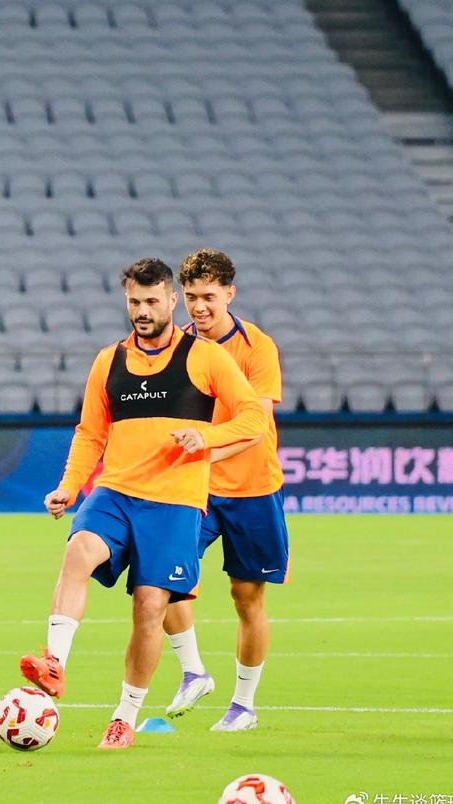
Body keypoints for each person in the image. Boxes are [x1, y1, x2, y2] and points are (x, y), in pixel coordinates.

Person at [19, 257, 268, 749]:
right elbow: (90, 432)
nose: (142, 311)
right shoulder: (108, 360)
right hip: (115, 491)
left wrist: (206, 436)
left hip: (175, 503)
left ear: (172, 301)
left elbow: (254, 419)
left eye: (152, 301)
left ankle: (124, 716)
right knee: (78, 551)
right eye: (134, 302)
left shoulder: (204, 357)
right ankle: (54, 664)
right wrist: (69, 486)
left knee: (150, 607)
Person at [163, 248, 289, 732]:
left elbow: (256, 426)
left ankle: (243, 706)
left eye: (209, 297)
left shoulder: (257, 347)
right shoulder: (177, 349)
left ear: (230, 294)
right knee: (160, 578)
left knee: (246, 596)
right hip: (194, 489)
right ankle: (193, 672)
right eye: (191, 296)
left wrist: (204, 451)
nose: (199, 307)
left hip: (253, 487)